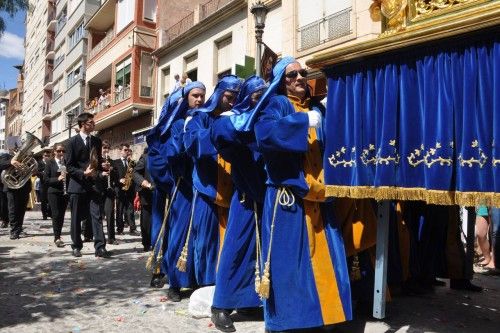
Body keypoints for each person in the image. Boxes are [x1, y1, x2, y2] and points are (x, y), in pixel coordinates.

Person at [252, 57, 352, 331]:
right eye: (291, 75)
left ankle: (325, 316)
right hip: (289, 198)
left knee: (328, 260)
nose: (299, 78)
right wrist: (301, 121)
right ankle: (290, 322)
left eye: (303, 73)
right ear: (280, 82)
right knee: (290, 267)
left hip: (322, 195)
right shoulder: (275, 105)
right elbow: (264, 134)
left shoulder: (318, 108)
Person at [210, 76, 267, 332]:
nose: (260, 98)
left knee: (260, 251)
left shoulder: (267, 116)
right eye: (255, 94)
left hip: (267, 195)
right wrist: (243, 119)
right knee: (236, 248)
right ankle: (220, 305)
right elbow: (222, 137)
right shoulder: (231, 120)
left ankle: (250, 300)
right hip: (244, 195)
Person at [183, 75, 241, 289]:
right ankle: (207, 286)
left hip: (235, 190)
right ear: (219, 95)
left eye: (236, 98)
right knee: (206, 241)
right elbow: (192, 143)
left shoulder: (237, 116)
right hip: (208, 189)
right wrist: (219, 130)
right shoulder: (199, 117)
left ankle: (228, 287)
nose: (232, 102)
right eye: (228, 97)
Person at [163, 81, 206, 301]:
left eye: (202, 96)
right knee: (180, 233)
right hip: (185, 186)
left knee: (200, 233)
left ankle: (196, 279)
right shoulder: (178, 123)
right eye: (195, 96)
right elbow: (171, 152)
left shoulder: (205, 119)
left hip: (204, 186)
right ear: (187, 98)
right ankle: (175, 282)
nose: (199, 100)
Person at [146, 87, 184, 288]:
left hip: (183, 189)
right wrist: (171, 179)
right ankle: (158, 269)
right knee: (162, 228)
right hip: (168, 189)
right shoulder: (160, 133)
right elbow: (154, 164)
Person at [65, 112, 111, 258]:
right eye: (91, 122)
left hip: (93, 185)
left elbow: (96, 161)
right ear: (82, 125)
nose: (94, 124)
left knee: (96, 216)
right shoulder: (71, 142)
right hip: (77, 185)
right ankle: (76, 246)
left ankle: (100, 247)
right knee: (76, 218)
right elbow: (69, 166)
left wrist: (103, 165)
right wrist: (83, 173)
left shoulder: (97, 141)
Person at [0, 151, 32, 240]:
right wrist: (11, 162)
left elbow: (34, 169)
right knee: (13, 209)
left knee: (21, 210)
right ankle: (14, 231)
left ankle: (19, 228)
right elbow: (1, 165)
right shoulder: (6, 156)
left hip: (24, 186)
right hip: (11, 187)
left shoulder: (27, 157)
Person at [43, 143, 69, 247]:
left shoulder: (66, 162)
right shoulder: (50, 162)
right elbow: (46, 179)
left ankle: (59, 235)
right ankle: (56, 237)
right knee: (56, 214)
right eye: (59, 151)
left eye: (63, 151)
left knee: (62, 215)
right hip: (53, 192)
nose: (61, 153)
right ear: (54, 152)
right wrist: (57, 179)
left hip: (64, 192)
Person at [133, 147, 155, 252]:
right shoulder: (145, 158)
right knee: (147, 219)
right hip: (147, 194)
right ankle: (147, 243)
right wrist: (143, 182)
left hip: (162, 193)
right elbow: (135, 173)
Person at [114, 143, 136, 235]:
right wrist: (119, 180)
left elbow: (135, 174)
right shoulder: (116, 162)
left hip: (130, 189)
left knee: (130, 209)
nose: (127, 152)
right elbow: (113, 176)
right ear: (121, 151)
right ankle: (120, 229)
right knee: (120, 209)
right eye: (125, 150)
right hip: (120, 189)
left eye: (128, 150)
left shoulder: (131, 163)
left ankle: (132, 228)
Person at [101, 140, 118, 245]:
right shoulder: (97, 161)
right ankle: (93, 235)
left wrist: (111, 170)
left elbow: (116, 177)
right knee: (97, 215)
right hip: (98, 190)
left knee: (110, 214)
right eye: (104, 148)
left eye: (107, 148)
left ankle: (111, 237)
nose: (106, 150)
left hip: (109, 191)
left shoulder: (113, 162)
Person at [38, 150, 52, 219]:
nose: (47, 157)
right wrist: (44, 173)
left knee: (50, 199)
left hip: (50, 183)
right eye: (45, 156)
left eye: (48, 156)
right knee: (43, 200)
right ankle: (44, 214)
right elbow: (37, 173)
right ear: (43, 156)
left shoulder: (51, 163)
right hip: (42, 183)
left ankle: (50, 213)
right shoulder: (40, 163)